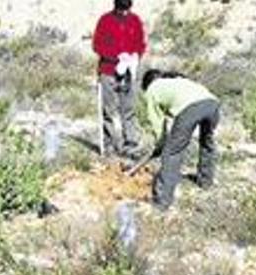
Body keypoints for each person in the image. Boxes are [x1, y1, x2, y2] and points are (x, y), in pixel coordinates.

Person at [140, 69, 221, 210]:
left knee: (172, 153)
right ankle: (205, 181)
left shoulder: (152, 90)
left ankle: (162, 201)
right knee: (207, 143)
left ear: (147, 84)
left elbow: (156, 122)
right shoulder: (177, 81)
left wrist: (161, 143)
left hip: (192, 107)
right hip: (213, 103)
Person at [93, 0, 147, 159]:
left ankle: (131, 144)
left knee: (128, 110)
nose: (124, 13)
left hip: (129, 72)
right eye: (121, 10)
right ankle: (109, 145)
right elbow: (97, 45)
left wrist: (135, 56)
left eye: (127, 10)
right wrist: (116, 58)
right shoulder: (105, 20)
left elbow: (140, 43)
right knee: (108, 110)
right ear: (115, 6)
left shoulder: (135, 20)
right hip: (108, 71)